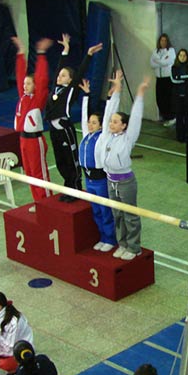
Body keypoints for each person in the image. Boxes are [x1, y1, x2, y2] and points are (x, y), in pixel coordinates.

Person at [95, 71, 150, 261]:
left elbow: (135, 117)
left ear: (124, 126)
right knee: (117, 215)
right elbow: (109, 112)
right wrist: (116, 90)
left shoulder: (128, 138)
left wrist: (140, 94)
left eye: (116, 122)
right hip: (111, 181)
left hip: (125, 181)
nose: (111, 123)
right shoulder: (107, 134)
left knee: (130, 216)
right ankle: (123, 244)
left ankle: (135, 247)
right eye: (111, 121)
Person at [44, 33, 103, 202]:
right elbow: (58, 67)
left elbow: (79, 73)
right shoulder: (55, 88)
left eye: (64, 75)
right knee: (60, 161)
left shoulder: (70, 90)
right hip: (53, 131)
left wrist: (89, 54)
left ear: (70, 79)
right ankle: (68, 187)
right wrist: (66, 50)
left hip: (65, 130)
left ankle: (76, 188)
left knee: (71, 160)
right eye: (59, 75)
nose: (59, 76)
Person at [11, 36, 53, 207]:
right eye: (24, 84)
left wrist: (41, 54)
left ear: (35, 86)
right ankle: (38, 203)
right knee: (29, 173)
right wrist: (21, 53)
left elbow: (42, 78)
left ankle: (48, 204)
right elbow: (20, 74)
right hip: (23, 140)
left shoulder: (38, 99)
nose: (25, 86)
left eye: (29, 84)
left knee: (39, 173)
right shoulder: (23, 97)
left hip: (35, 141)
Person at [78, 78, 117, 252]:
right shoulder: (87, 134)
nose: (90, 124)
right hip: (88, 179)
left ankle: (110, 238)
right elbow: (83, 116)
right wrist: (86, 95)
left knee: (105, 210)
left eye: (94, 122)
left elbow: (109, 114)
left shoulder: (103, 136)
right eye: (90, 122)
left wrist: (111, 98)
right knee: (96, 211)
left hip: (100, 179)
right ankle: (102, 236)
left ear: (101, 125)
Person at [170, 48, 188, 142]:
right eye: (180, 55)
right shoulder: (174, 67)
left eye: (184, 55)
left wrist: (180, 77)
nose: (182, 57)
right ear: (178, 57)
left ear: (187, 57)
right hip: (178, 97)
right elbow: (174, 80)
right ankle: (180, 137)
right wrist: (185, 79)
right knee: (179, 118)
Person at [150, 33, 176, 126]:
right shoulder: (156, 51)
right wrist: (160, 62)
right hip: (159, 78)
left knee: (169, 99)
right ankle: (165, 117)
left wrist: (158, 61)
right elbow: (152, 64)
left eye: (165, 40)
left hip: (168, 78)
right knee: (160, 99)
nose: (163, 42)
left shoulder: (171, 51)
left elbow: (168, 62)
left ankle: (172, 117)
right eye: (162, 40)